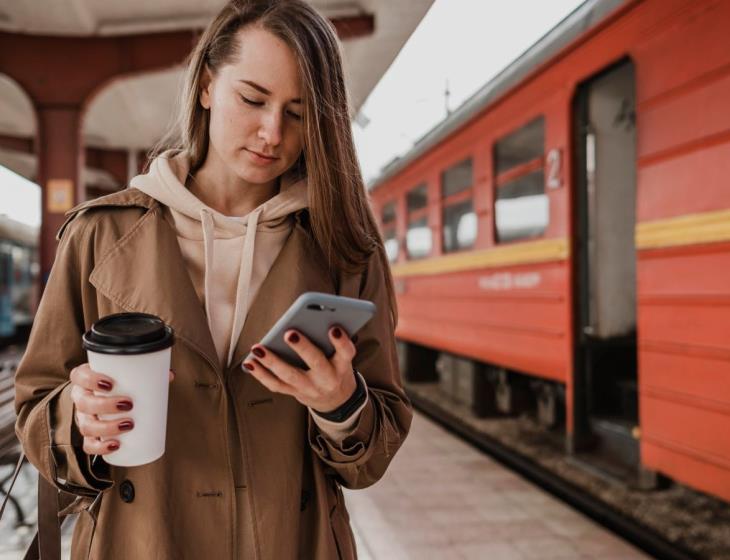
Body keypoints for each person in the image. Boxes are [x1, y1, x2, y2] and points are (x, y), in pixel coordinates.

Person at [12, 1, 413, 558]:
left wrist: (342, 404)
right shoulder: (98, 235)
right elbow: (34, 409)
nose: (272, 132)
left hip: (291, 542)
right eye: (252, 99)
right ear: (205, 86)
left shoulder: (346, 247)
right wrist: (78, 419)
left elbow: (374, 452)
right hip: (141, 540)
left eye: (299, 113)